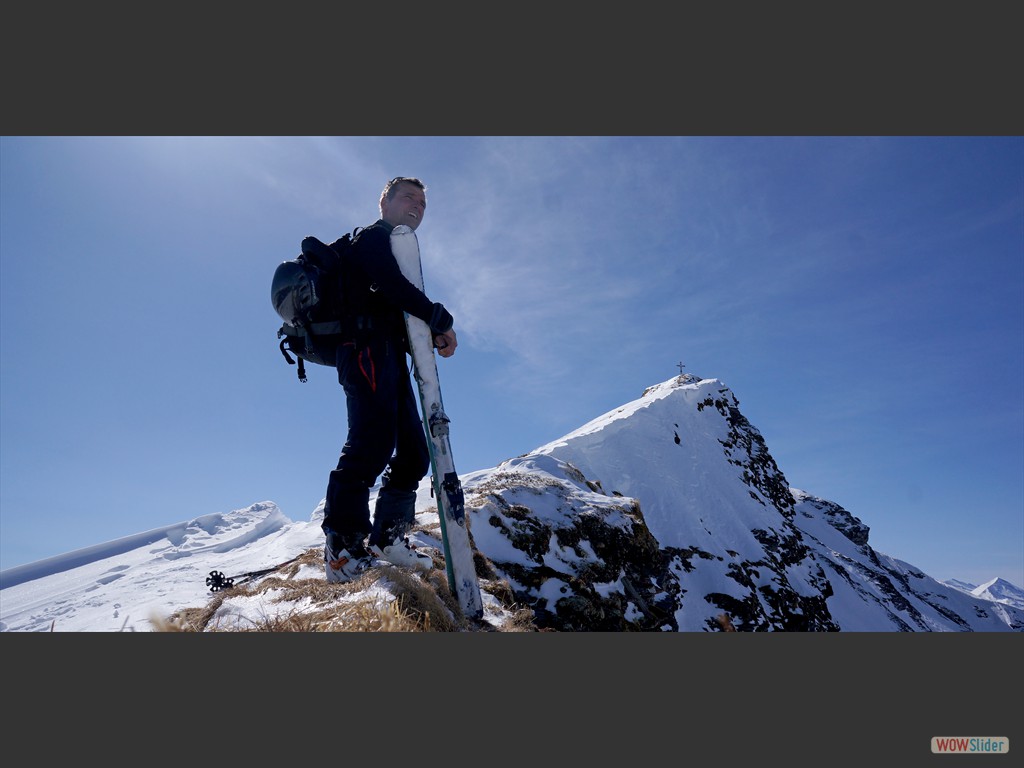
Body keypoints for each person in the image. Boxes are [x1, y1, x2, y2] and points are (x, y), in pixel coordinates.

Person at [320, 176, 458, 583]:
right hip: (362, 348)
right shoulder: (371, 237)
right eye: (408, 197)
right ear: (385, 201)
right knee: (371, 441)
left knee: (415, 451)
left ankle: (388, 539)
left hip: (386, 354)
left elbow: (389, 300)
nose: (417, 205)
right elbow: (388, 283)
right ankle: (342, 549)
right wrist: (438, 317)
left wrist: (429, 332)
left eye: (422, 202)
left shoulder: (394, 244)